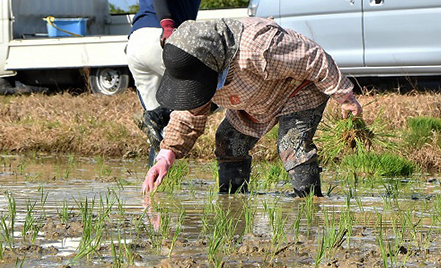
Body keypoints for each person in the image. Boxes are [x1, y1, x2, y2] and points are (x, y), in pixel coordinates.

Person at [141, 17, 363, 196]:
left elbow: (313, 58)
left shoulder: (258, 47)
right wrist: (165, 157)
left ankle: (309, 203)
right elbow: (189, 113)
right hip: (253, 99)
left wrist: (345, 97)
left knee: (291, 144)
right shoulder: (202, 70)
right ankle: (233, 202)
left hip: (297, 90)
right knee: (228, 140)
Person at [127, 0, 254, 165]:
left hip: (138, 42)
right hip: (159, 38)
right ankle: (157, 116)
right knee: (213, 90)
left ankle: (154, 193)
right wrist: (167, 26)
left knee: (162, 131)